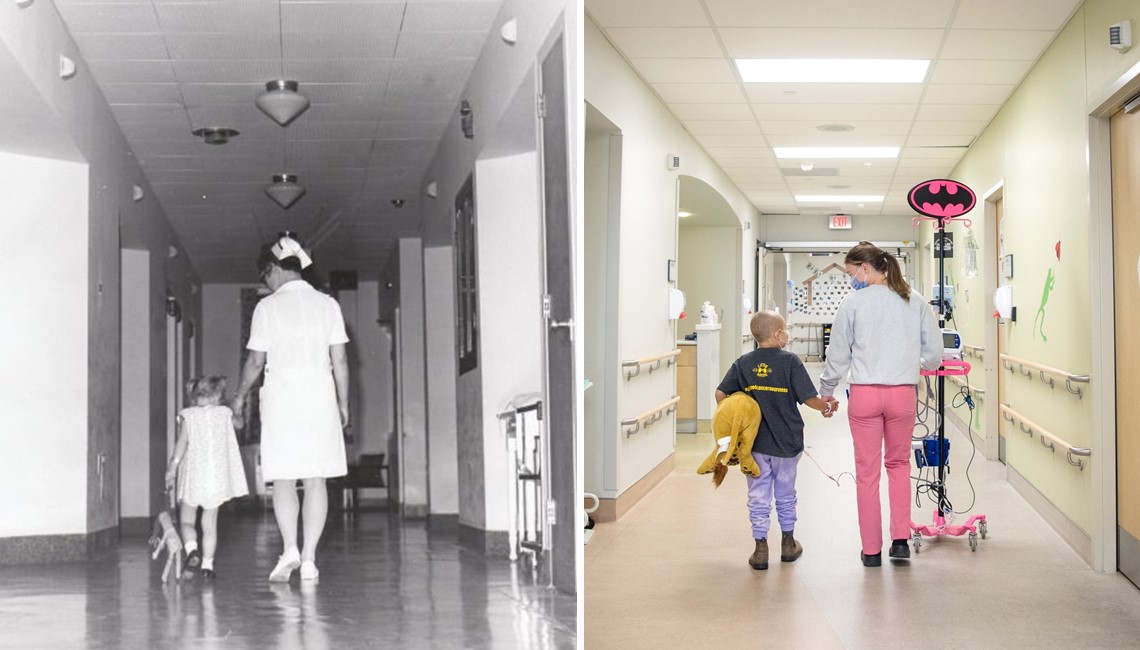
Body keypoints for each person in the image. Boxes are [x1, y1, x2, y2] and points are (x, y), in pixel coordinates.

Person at [231, 232, 350, 583]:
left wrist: (239, 397)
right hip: (319, 395)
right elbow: (340, 360)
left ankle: (290, 548)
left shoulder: (266, 307)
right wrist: (343, 404)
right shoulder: (328, 305)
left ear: (272, 270)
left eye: (265, 276)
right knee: (316, 479)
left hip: (282, 396)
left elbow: (255, 361)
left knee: (283, 477)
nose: (266, 283)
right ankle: (310, 559)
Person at [818, 241, 942, 567]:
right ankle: (900, 541)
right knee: (899, 466)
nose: (851, 279)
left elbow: (838, 355)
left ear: (865, 268)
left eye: (851, 273)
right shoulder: (914, 301)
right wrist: (913, 364)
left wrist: (827, 390)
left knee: (867, 473)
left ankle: (871, 551)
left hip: (865, 396)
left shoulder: (852, 304)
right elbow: (933, 355)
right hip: (902, 394)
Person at [715, 310, 833, 571]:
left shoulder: (743, 363)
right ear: (778, 334)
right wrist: (825, 407)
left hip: (754, 444)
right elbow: (809, 399)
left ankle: (760, 549)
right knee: (785, 492)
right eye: (785, 330)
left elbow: (721, 393)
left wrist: (736, 422)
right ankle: (788, 543)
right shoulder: (790, 362)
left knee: (758, 495)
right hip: (787, 443)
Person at [165, 375, 249, 579]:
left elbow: (182, 443)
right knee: (209, 523)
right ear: (219, 395)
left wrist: (172, 468)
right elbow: (240, 424)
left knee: (186, 520)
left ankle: (192, 550)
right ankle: (208, 566)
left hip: (194, 474)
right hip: (217, 476)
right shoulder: (225, 413)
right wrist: (238, 406)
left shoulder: (189, 415)